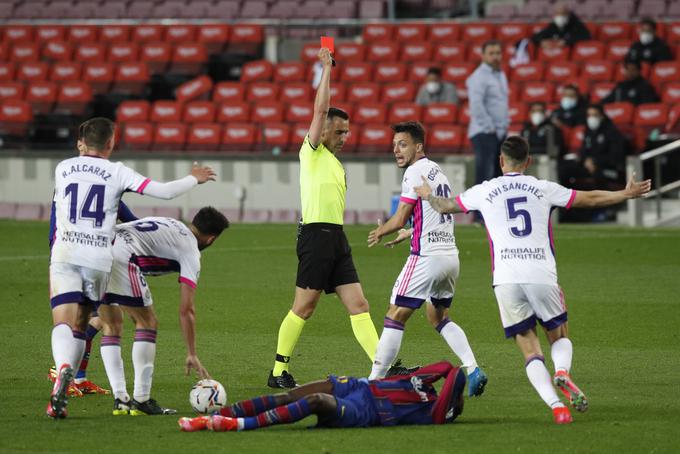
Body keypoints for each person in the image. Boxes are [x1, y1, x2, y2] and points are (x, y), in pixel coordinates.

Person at [413, 135, 651, 424]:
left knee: (528, 347)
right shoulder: (543, 188)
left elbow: (445, 206)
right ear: (529, 162)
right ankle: (562, 372)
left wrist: (427, 194)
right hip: (541, 273)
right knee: (559, 334)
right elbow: (587, 198)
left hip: (506, 279)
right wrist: (623, 194)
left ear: (501, 161)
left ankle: (556, 407)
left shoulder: (485, 190)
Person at [47, 117, 215, 419]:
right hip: (99, 256)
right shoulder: (117, 172)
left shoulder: (62, 168)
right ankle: (137, 398)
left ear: (83, 142)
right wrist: (194, 178)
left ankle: (64, 372)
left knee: (69, 323)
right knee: (124, 320)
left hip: (64, 251)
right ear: (111, 143)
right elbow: (163, 192)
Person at [268, 47, 383, 389]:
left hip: (336, 238)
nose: (344, 137)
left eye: (347, 132)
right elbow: (320, 108)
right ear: (323, 131)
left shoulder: (333, 160)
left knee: (359, 303)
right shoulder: (312, 151)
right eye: (339, 132)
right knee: (304, 307)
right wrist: (326, 68)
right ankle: (277, 372)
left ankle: (383, 367)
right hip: (316, 237)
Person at [364, 121, 487, 397]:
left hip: (427, 257)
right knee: (438, 315)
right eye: (394, 145)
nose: (396, 150)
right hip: (450, 257)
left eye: (403, 144)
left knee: (394, 314)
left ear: (418, 146)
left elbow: (398, 217)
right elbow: (433, 213)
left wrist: (381, 231)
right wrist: (410, 232)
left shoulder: (413, 172)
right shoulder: (436, 170)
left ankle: (372, 384)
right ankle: (473, 368)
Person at [99, 207, 229, 416]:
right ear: (211, 239)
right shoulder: (191, 252)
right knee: (148, 323)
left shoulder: (172, 223)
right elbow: (186, 310)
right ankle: (142, 400)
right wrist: (191, 353)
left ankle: (121, 401)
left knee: (110, 325)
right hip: (122, 256)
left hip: (98, 247)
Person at [178, 361, 466, 432]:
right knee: (288, 396)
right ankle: (217, 415)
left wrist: (460, 384)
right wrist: (456, 376)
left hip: (367, 412)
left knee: (315, 402)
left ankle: (239, 425)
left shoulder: (436, 413)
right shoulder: (425, 383)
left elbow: (454, 375)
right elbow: (446, 367)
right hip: (357, 386)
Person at [47, 200, 140, 397]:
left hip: (91, 260)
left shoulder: (85, 186)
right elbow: (132, 221)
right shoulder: (77, 191)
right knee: (91, 319)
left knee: (95, 319)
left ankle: (77, 378)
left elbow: (131, 220)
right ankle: (62, 371)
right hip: (72, 260)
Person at [466, 40, 509, 188]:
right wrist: (490, 128)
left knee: (498, 176)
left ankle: (495, 211)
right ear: (483, 56)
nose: (495, 56)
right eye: (491, 53)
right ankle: (479, 212)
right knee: (485, 176)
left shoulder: (500, 74)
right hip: (485, 132)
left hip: (499, 133)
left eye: (498, 53)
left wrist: (502, 129)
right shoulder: (478, 77)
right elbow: (476, 106)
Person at [580, 104, 628, 188]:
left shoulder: (612, 132)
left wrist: (595, 162)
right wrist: (586, 160)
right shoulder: (588, 131)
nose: (591, 118)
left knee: (596, 175)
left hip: (610, 170)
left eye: (595, 115)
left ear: (602, 116)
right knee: (567, 169)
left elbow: (615, 156)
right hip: (590, 166)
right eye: (589, 115)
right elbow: (583, 150)